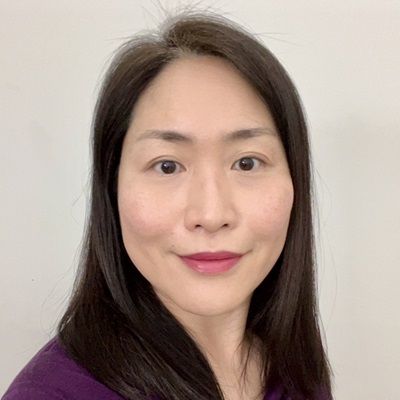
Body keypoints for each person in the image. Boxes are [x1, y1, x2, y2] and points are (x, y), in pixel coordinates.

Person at [2, 7, 334, 400]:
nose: (211, 215)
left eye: (247, 162)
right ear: (112, 189)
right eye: (167, 166)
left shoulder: (294, 371)